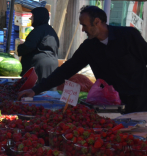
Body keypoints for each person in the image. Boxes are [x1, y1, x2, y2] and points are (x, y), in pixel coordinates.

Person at [18, 6, 147, 113]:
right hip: (111, 104)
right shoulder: (89, 47)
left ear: (97, 22)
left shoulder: (129, 36)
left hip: (140, 101)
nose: (83, 29)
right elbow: (66, 70)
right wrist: (35, 90)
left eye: (84, 25)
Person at [17, 7, 59, 83]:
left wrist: (20, 47)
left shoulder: (38, 31)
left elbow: (29, 46)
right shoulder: (51, 31)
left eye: (32, 16)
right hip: (52, 65)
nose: (31, 18)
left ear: (38, 17)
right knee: (47, 91)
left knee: (36, 90)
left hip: (39, 67)